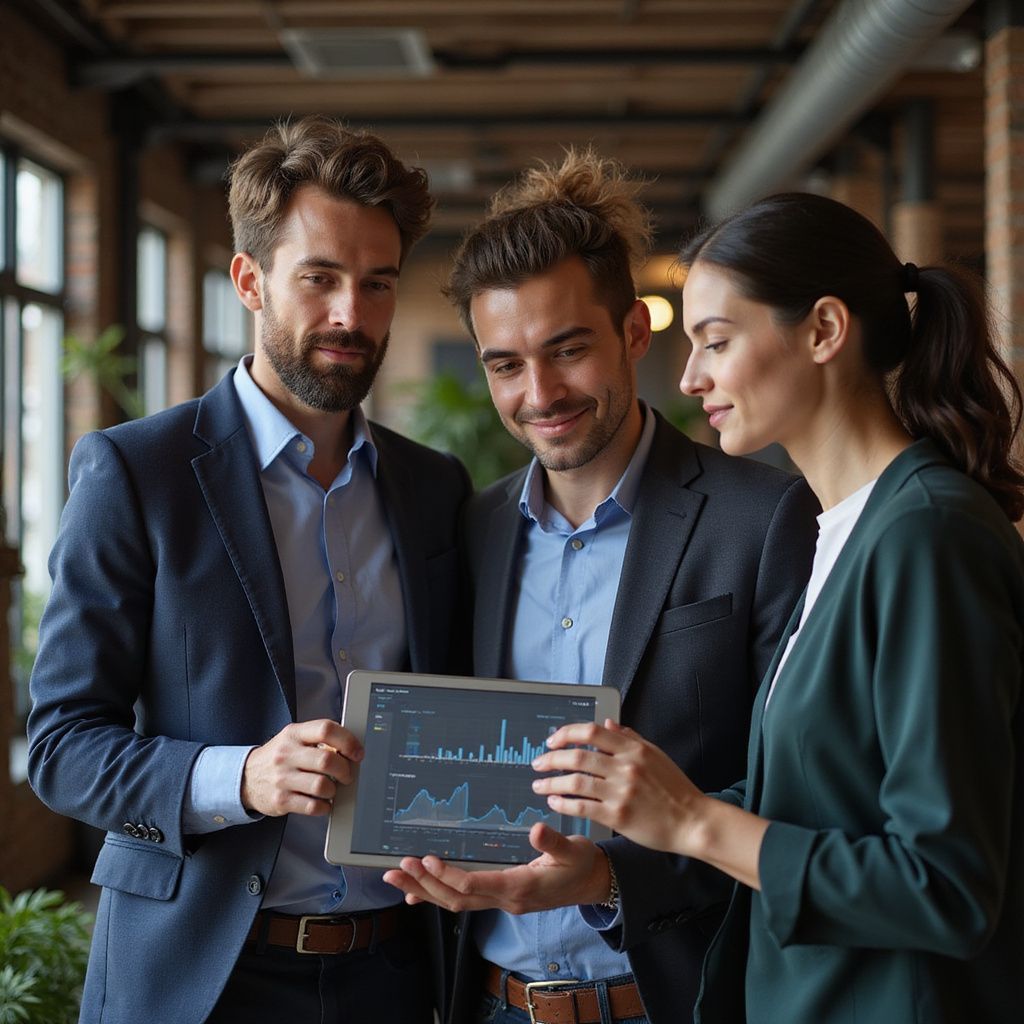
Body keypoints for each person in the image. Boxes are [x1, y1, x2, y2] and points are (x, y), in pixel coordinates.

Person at [532, 192, 1024, 1023]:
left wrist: (691, 819)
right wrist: (614, 866)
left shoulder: (926, 538)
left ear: (826, 331)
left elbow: (943, 887)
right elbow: (814, 801)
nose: (690, 378)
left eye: (716, 342)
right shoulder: (842, 528)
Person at [26, 116, 470, 1024]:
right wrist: (240, 778)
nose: (352, 313)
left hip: (395, 973)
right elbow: (62, 747)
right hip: (200, 978)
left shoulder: (435, 489)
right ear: (249, 279)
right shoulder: (135, 473)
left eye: (377, 284)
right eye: (320, 277)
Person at [383, 152, 819, 1024]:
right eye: (504, 364)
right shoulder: (470, 530)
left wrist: (618, 876)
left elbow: (801, 793)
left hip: (674, 999)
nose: (539, 394)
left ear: (633, 333)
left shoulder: (766, 516)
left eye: (568, 349)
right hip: (491, 1003)